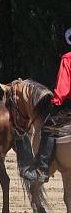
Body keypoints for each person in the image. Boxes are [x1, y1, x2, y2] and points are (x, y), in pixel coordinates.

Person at [21, 28, 71, 183]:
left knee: (48, 127)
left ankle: (42, 169)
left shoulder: (68, 58)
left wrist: (56, 101)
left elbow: (64, 86)